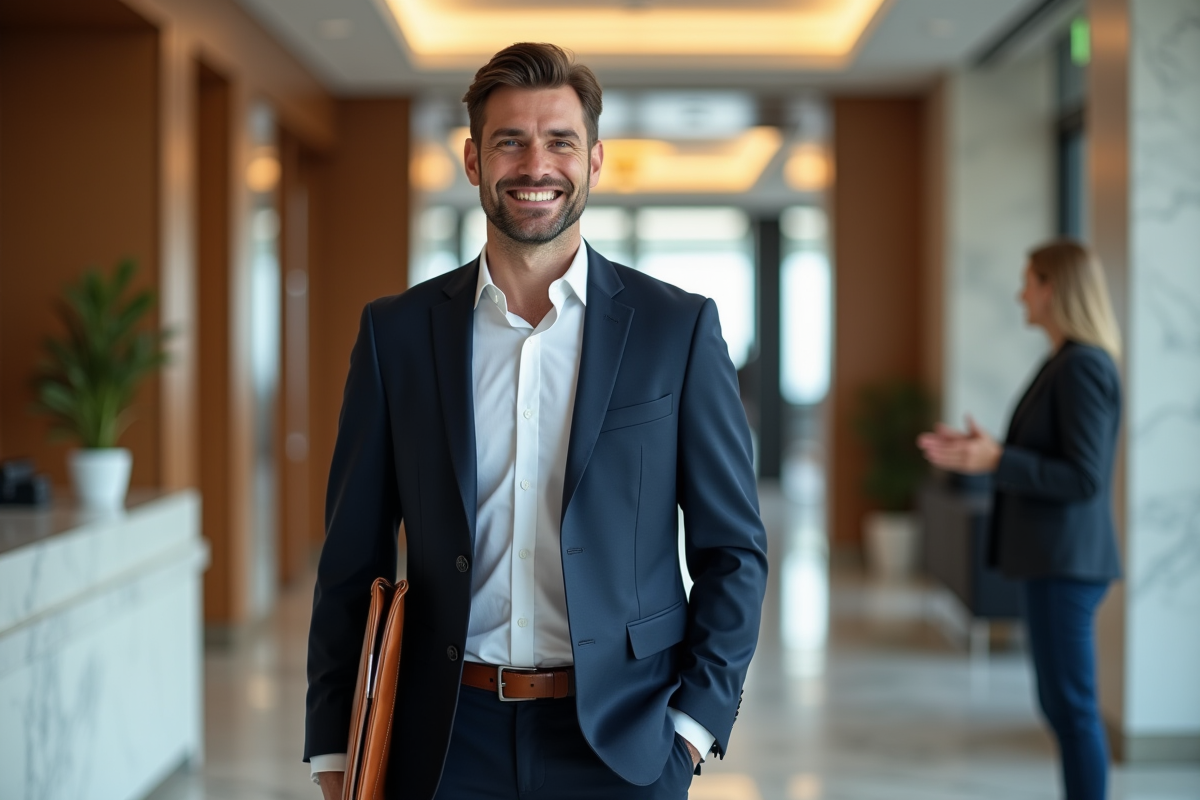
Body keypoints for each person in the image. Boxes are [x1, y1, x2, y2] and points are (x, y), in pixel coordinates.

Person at [303, 43, 769, 800]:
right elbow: (352, 558)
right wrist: (335, 745)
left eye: (560, 141)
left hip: (625, 742)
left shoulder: (675, 329)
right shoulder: (397, 334)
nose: (535, 165)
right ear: (473, 160)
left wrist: (690, 729)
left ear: (595, 161)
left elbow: (734, 550)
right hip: (443, 742)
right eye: (510, 141)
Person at [917, 239, 1122, 800]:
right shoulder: (1065, 362)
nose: (1020, 294)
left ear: (1054, 288)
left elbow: (1084, 477)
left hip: (1066, 564)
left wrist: (999, 460)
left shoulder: (1082, 366)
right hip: (1055, 562)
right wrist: (990, 452)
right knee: (1062, 707)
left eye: (1029, 282)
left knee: (1072, 710)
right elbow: (1056, 457)